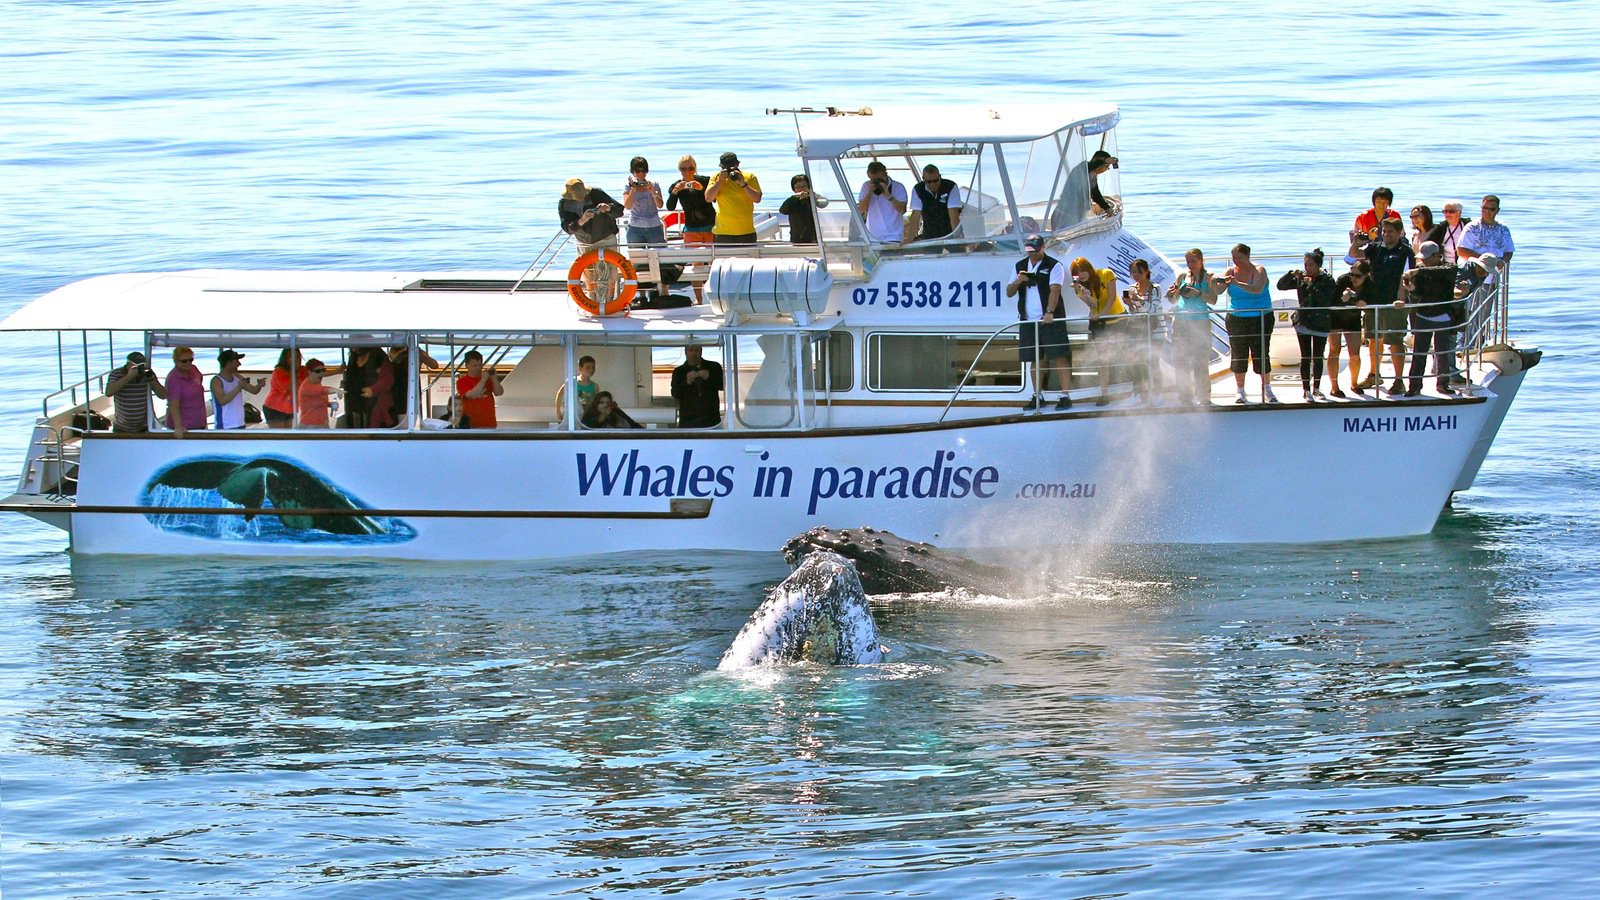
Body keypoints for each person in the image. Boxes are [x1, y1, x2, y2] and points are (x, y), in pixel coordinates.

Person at [1005, 234, 1072, 412]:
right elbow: (1009, 292)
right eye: (1029, 252)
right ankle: (1037, 395)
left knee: (1059, 355)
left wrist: (1049, 312)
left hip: (1050, 320)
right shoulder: (1019, 266)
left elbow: (1055, 291)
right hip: (1028, 321)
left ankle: (1065, 395)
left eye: (1035, 251)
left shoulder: (1054, 265)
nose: (1032, 255)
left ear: (1043, 248)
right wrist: (1019, 280)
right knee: (1035, 359)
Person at [1352, 218, 1413, 395]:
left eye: (1390, 231)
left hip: (1393, 303)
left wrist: (1400, 298)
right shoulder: (1376, 247)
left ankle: (1399, 380)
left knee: (1394, 341)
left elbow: (1406, 275)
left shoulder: (1405, 251)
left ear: (1399, 232)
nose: (1386, 234)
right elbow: (1354, 255)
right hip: (1373, 301)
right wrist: (1357, 243)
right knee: (1373, 338)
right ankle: (1374, 374)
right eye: (1384, 231)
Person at [1214, 243, 1276, 404]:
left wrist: (1236, 283)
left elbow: (1257, 288)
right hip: (1237, 318)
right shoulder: (1230, 272)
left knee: (1261, 352)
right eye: (1234, 258)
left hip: (1261, 316)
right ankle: (1240, 390)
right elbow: (1218, 291)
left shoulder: (1259, 270)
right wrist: (1214, 281)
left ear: (1248, 256)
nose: (1236, 261)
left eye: (1239, 258)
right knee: (1239, 354)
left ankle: (1267, 388)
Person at [1399, 241, 1462, 397]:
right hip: (1423, 316)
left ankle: (1443, 384)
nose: (1424, 261)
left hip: (1443, 317)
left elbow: (1439, 272)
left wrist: (1417, 273)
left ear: (1437, 256)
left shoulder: (1449, 268)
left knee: (1443, 353)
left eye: (1427, 257)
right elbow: (1417, 295)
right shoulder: (1419, 271)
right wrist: (1412, 290)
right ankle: (1414, 386)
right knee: (1419, 354)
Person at [1276, 250, 1337, 401]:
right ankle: (1306, 389)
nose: (1307, 268)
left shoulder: (1327, 280)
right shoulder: (1301, 278)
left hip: (1321, 322)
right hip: (1303, 321)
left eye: (1310, 265)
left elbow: (1326, 300)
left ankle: (1316, 387)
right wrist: (1291, 274)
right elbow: (1280, 286)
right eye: (1305, 264)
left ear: (1318, 265)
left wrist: (1311, 286)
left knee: (1317, 356)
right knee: (1305, 356)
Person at [1068, 257, 1126, 406]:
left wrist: (1102, 314)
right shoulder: (1079, 287)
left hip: (1117, 319)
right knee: (1103, 358)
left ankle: (1132, 388)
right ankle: (1104, 393)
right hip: (1098, 323)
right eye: (1077, 273)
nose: (1081, 275)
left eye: (1083, 270)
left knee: (1125, 352)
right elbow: (1093, 305)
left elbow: (1112, 298)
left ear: (1089, 268)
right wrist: (1084, 295)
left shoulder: (1106, 274)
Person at [1165, 248, 1217, 405]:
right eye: (1188, 261)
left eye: (1193, 261)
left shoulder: (1209, 277)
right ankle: (1185, 397)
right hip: (1181, 321)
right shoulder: (1182, 276)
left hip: (1200, 321)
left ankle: (1203, 396)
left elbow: (1213, 300)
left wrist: (1197, 292)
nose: (1190, 265)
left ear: (1201, 260)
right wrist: (1171, 294)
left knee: (1200, 361)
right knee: (1181, 360)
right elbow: (1173, 301)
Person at [1123, 258, 1167, 403]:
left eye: (1139, 272)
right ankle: (1138, 393)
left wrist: (1139, 300)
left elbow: (1153, 310)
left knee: (1153, 361)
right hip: (1139, 330)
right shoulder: (1132, 288)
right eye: (1133, 272)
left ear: (1146, 271)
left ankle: (1157, 393)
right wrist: (1130, 304)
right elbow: (1134, 312)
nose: (1136, 275)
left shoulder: (1155, 288)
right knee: (1137, 362)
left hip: (1156, 330)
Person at [1329, 261, 1374, 398]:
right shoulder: (1343, 280)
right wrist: (1344, 298)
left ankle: (1354, 384)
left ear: (1366, 276)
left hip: (1353, 318)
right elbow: (1332, 301)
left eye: (1357, 276)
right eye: (1351, 274)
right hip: (1335, 317)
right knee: (1334, 350)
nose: (1353, 278)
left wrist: (1364, 303)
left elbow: (1373, 299)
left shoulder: (1369, 285)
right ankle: (1334, 387)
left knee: (1354, 354)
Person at [704, 151, 762, 245]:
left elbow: (757, 198)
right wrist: (719, 182)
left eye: (732, 167)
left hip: (746, 232)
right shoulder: (716, 178)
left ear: (737, 164)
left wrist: (743, 184)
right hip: (723, 233)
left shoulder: (749, 177)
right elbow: (708, 198)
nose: (729, 170)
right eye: (725, 168)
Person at [105, 351, 168, 433]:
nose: (140, 368)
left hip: (144, 426)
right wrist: (128, 377)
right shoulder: (116, 374)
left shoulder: (147, 374)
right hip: (122, 427)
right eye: (137, 366)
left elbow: (163, 395)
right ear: (128, 365)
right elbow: (109, 392)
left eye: (142, 365)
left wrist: (152, 380)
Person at [903, 164, 961, 242]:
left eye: (935, 180)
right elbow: (915, 216)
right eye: (929, 182)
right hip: (929, 234)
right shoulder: (918, 189)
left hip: (950, 232)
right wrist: (909, 238)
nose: (933, 184)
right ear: (923, 179)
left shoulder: (950, 187)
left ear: (940, 177)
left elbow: (954, 215)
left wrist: (957, 236)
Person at [670, 345, 725, 428]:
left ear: (701, 351)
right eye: (691, 350)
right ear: (686, 352)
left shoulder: (714, 367)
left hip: (711, 419)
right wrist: (687, 382)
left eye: (696, 350)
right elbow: (675, 393)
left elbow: (722, 386)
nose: (694, 353)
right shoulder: (679, 371)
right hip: (688, 420)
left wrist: (709, 377)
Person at [666, 155, 715, 247]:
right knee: (696, 260)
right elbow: (670, 207)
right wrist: (675, 192)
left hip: (710, 226)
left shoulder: (705, 181)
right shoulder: (677, 186)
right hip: (691, 229)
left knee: (713, 260)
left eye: (690, 168)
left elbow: (715, 199)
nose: (687, 172)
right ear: (680, 170)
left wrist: (702, 189)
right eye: (683, 169)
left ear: (695, 168)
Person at [855, 161, 907, 244]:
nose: (876, 183)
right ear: (868, 175)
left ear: (885, 174)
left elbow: (902, 210)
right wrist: (869, 193)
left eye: (879, 180)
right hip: (872, 236)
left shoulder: (898, 187)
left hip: (893, 235)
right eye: (873, 180)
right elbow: (861, 209)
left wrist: (888, 195)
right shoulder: (866, 186)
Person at [210, 349, 261, 430]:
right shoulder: (216, 381)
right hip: (225, 425)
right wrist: (238, 388)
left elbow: (253, 391)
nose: (239, 364)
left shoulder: (237, 377)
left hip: (240, 423)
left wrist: (259, 385)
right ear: (229, 363)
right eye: (236, 361)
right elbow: (222, 401)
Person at [1459, 194, 1514, 269]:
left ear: (1497, 210)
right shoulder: (1472, 227)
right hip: (1474, 273)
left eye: (1491, 209)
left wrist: (1503, 261)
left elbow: (1509, 251)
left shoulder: (1503, 229)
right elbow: (1461, 250)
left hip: (1495, 274)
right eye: (1484, 208)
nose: (1487, 211)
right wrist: (1485, 262)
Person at [621, 156, 666, 248]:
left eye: (643, 170)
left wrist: (652, 191)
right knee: (637, 258)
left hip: (654, 226)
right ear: (633, 172)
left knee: (657, 257)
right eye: (637, 171)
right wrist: (633, 189)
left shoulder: (654, 184)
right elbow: (627, 206)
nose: (641, 173)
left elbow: (660, 205)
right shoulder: (628, 186)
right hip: (635, 227)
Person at [164, 346, 206, 437]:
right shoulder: (173, 378)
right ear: (175, 361)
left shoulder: (194, 369)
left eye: (191, 360)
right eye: (184, 361)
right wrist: (178, 427)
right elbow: (173, 404)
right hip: (185, 427)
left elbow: (200, 380)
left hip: (199, 422)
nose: (188, 363)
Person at [454, 350, 501, 430]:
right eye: (474, 366)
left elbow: (499, 392)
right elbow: (471, 395)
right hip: (471, 425)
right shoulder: (462, 381)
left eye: (480, 365)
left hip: (489, 424)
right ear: (467, 365)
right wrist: (483, 380)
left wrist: (494, 379)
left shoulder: (488, 380)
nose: (478, 368)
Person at [261, 348, 306, 428]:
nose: (296, 360)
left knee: (287, 436)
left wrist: (336, 371)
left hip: (289, 408)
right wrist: (293, 369)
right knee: (279, 437)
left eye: (298, 357)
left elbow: (318, 373)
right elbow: (291, 388)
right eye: (292, 357)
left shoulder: (302, 370)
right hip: (275, 408)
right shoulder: (279, 372)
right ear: (285, 358)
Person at [779, 174, 827, 245]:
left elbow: (824, 204)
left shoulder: (811, 199)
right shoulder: (792, 200)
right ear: (794, 189)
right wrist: (794, 197)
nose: (801, 189)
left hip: (812, 237)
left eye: (804, 186)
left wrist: (816, 196)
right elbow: (783, 210)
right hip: (797, 238)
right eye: (798, 187)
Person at [555, 354, 599, 422]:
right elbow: (560, 394)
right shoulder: (571, 382)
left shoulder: (595, 386)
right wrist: (558, 411)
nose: (591, 370)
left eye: (593, 367)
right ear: (580, 369)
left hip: (586, 417)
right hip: (572, 416)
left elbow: (596, 403)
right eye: (588, 367)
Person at [297, 358, 336, 427]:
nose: (321, 373)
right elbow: (323, 390)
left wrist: (329, 404)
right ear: (309, 372)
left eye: (323, 370)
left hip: (322, 423)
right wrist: (337, 391)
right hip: (310, 425)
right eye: (318, 371)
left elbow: (317, 402)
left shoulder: (317, 383)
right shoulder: (306, 387)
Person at [1087, 150, 1119, 215]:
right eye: (1102, 165)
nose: (1103, 168)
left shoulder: (1093, 174)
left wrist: (1107, 208)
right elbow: (1091, 166)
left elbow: (1095, 193)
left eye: (1106, 167)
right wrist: (1105, 161)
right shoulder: (1085, 168)